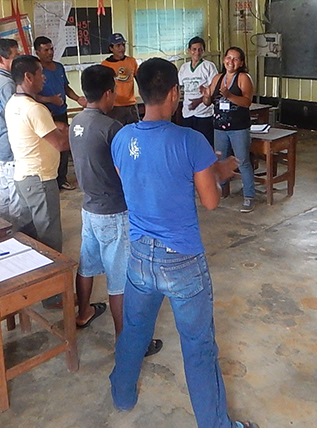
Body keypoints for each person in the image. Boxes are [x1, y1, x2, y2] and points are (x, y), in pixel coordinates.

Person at [109, 58, 259, 428]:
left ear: (141, 92)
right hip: (182, 260)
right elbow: (210, 201)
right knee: (198, 346)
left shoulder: (122, 138)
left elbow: (133, 182)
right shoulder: (190, 140)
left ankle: (122, 394)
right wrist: (219, 172)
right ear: (175, 93)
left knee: (135, 330)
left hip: (140, 254)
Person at [69, 64, 162, 356]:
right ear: (109, 93)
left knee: (87, 264)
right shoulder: (111, 128)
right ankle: (127, 341)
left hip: (89, 208)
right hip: (114, 211)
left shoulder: (76, 122)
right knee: (120, 279)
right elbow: (127, 173)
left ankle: (83, 312)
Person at [6, 55, 70, 307]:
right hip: (42, 179)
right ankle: (53, 297)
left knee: (27, 234)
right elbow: (61, 144)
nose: (44, 77)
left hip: (23, 176)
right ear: (28, 77)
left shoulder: (14, 103)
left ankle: (27, 288)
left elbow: (37, 129)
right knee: (50, 239)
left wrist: (54, 126)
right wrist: (74, 132)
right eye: (40, 73)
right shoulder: (36, 109)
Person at [200, 46, 256, 214]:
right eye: (228, 58)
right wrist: (205, 95)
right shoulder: (218, 78)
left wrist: (229, 95)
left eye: (235, 59)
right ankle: (222, 190)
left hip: (238, 128)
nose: (231, 62)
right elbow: (207, 102)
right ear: (224, 59)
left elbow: (247, 102)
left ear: (241, 63)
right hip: (219, 127)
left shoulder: (243, 78)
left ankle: (249, 196)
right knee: (221, 160)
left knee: (242, 161)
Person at [0, 38, 32, 233]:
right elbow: (15, 114)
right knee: (15, 196)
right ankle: (15, 236)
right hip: (10, 145)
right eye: (15, 56)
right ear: (1, 59)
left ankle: (3, 230)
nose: (19, 59)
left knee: (5, 193)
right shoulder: (6, 83)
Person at [33, 36, 86, 190]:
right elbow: (33, 95)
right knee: (49, 148)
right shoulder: (37, 71)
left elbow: (66, 88)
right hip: (46, 115)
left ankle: (61, 178)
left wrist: (77, 99)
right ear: (37, 52)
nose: (50, 52)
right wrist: (50, 99)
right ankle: (50, 179)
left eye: (51, 49)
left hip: (61, 112)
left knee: (63, 147)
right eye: (46, 50)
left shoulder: (59, 67)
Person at [178, 36, 217, 147]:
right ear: (189, 51)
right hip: (187, 113)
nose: (197, 52)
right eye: (194, 49)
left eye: (200, 49)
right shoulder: (184, 68)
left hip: (204, 114)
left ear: (203, 51)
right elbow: (179, 87)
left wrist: (199, 100)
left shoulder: (209, 66)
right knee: (189, 145)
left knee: (205, 145)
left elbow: (213, 89)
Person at [101, 33, 139, 125]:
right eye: (118, 45)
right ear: (111, 48)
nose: (122, 48)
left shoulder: (131, 61)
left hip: (131, 105)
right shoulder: (105, 65)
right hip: (115, 106)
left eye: (123, 45)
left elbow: (139, 79)